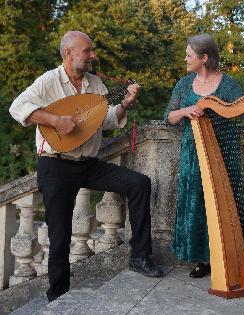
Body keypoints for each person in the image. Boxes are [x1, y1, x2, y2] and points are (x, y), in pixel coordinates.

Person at [9, 31, 163, 302]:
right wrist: (56, 121)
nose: (93, 55)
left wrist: (125, 104)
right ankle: (58, 297)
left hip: (89, 164)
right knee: (59, 237)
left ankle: (140, 256)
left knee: (139, 183)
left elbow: (105, 121)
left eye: (92, 50)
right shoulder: (49, 81)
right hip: (55, 166)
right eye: (87, 51)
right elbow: (17, 107)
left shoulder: (96, 84)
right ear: (68, 53)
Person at [164, 34, 244, 287]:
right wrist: (184, 111)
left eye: (189, 55)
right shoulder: (183, 84)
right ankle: (206, 259)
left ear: (204, 58)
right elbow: (168, 117)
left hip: (224, 153)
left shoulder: (228, 84)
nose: (185, 59)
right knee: (197, 207)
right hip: (193, 153)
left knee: (236, 206)